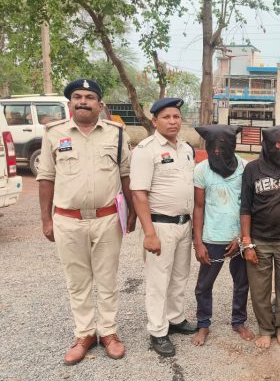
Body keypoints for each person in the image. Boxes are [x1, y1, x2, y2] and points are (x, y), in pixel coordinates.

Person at [37, 78, 136, 365]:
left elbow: (126, 174)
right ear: (70, 103)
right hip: (68, 220)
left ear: (100, 104)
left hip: (107, 219)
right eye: (77, 97)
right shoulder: (54, 134)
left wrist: (131, 212)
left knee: (107, 279)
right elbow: (45, 178)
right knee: (77, 281)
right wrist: (46, 219)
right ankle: (84, 334)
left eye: (89, 97)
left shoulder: (116, 134)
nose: (83, 101)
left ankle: (108, 332)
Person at [130, 97, 197, 357]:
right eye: (167, 117)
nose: (173, 121)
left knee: (180, 275)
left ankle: (175, 317)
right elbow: (139, 193)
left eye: (176, 117)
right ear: (155, 121)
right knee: (159, 280)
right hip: (160, 225)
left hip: (183, 224)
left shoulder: (186, 148)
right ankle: (158, 331)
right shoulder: (146, 150)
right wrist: (149, 233)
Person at [240, 125, 280, 349]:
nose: (279, 147)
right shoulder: (252, 169)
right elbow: (245, 208)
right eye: (275, 144)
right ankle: (265, 329)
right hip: (259, 240)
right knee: (260, 289)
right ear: (265, 145)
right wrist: (247, 243)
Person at [191, 124, 254, 346]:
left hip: (238, 237)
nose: (218, 152)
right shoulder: (201, 169)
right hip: (212, 237)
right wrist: (198, 242)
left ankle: (239, 322)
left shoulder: (245, 168)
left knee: (242, 282)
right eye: (214, 149)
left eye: (223, 148)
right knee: (204, 285)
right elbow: (199, 207)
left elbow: (248, 205)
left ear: (232, 146)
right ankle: (203, 324)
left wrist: (241, 237)